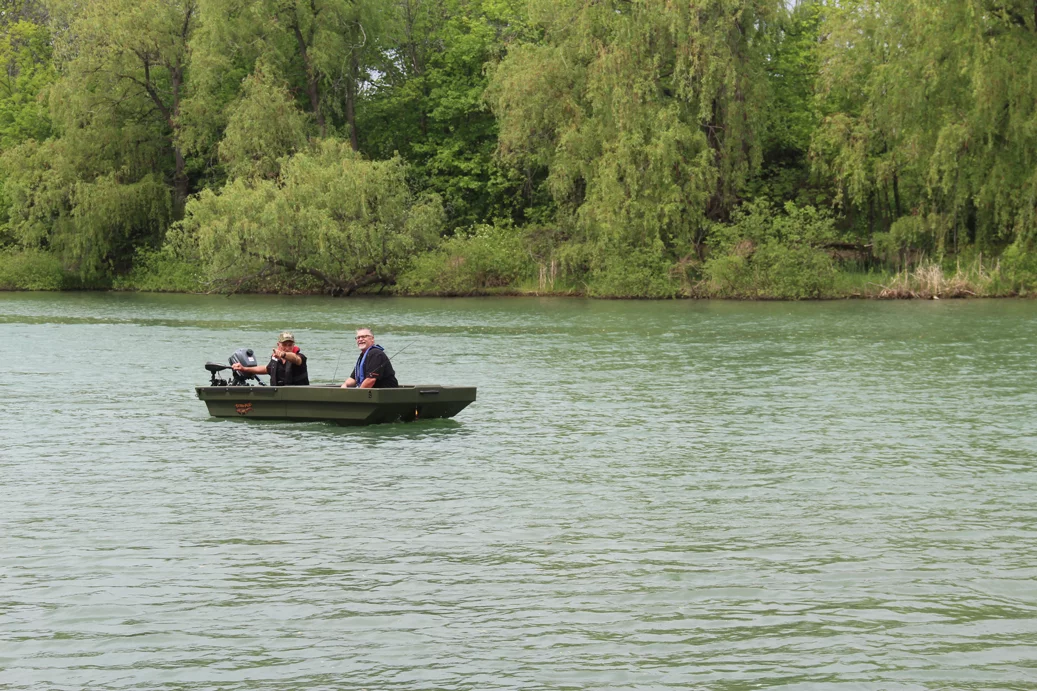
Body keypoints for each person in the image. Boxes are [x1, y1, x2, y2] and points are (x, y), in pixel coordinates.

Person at [232, 331, 309, 386]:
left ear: (293, 345)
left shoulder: (300, 357)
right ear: (278, 344)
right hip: (279, 395)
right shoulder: (275, 358)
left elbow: (296, 359)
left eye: (290, 345)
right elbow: (267, 369)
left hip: (297, 396)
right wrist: (244, 369)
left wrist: (283, 354)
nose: (287, 347)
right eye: (284, 345)